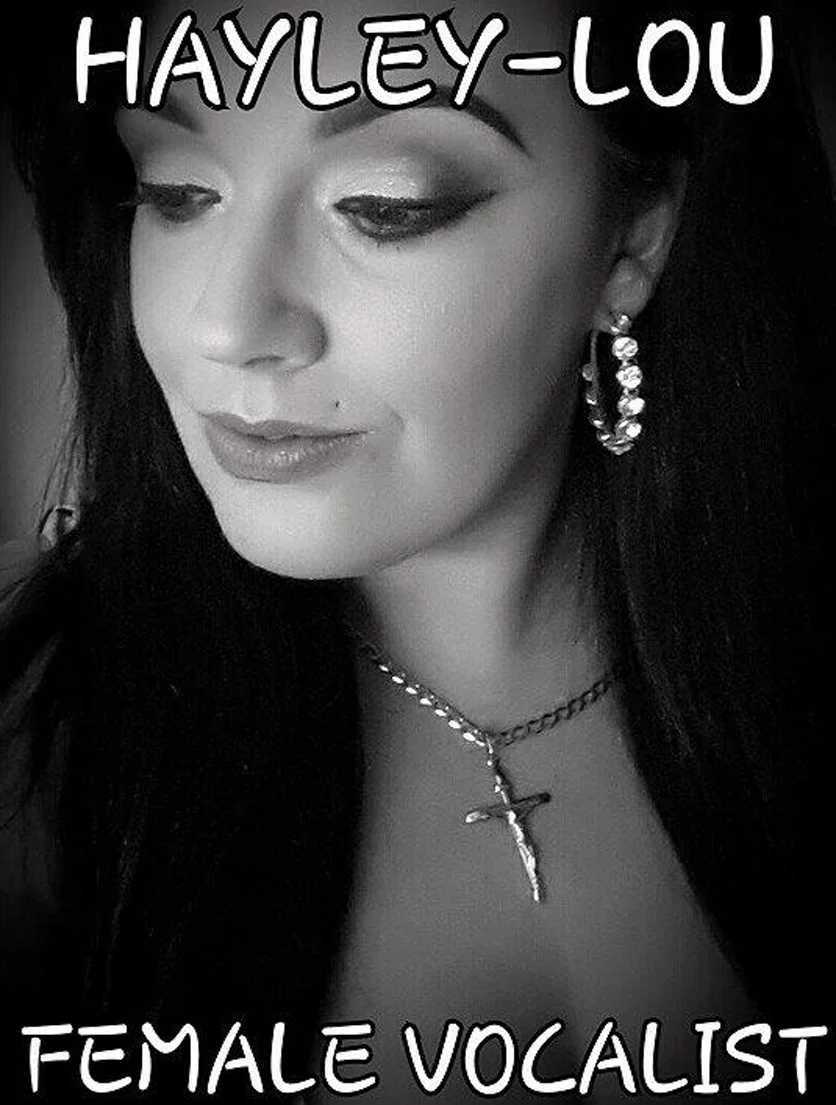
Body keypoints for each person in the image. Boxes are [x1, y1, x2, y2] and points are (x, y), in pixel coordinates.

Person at [1, 1, 833, 1101]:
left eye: (387, 206)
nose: (226, 324)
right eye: (177, 193)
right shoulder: (39, 737)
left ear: (632, 239)